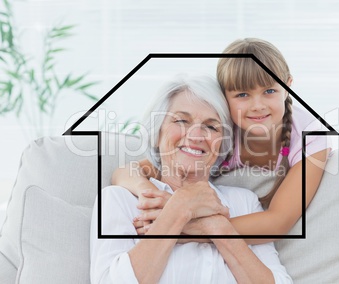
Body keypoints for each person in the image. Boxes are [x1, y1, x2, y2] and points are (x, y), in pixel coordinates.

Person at [112, 38, 331, 238]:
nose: (257, 106)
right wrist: (151, 195)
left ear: (287, 86)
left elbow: (277, 222)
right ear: (225, 99)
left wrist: (181, 227)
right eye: (242, 95)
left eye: (269, 91)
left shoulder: (311, 136)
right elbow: (126, 172)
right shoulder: (216, 133)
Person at [90, 74, 293, 283]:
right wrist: (179, 208)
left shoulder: (244, 203)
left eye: (212, 126)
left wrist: (216, 226)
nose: (196, 136)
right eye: (181, 120)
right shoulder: (119, 200)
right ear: (158, 132)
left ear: (223, 144)